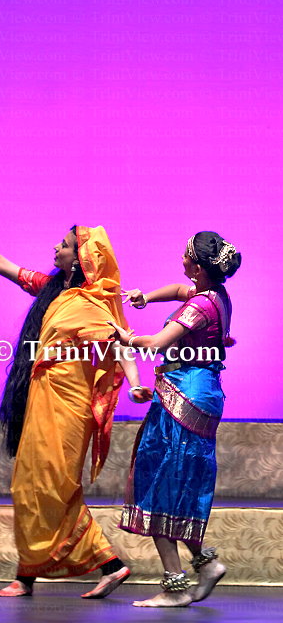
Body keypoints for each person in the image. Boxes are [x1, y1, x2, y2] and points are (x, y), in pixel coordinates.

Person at [0, 193, 152, 599]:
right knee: (28, 482)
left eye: (63, 245)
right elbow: (1, 264)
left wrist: (136, 382)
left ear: (80, 259)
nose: (55, 248)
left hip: (69, 405)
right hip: (41, 396)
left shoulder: (91, 302)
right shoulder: (52, 290)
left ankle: (97, 565)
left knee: (54, 484)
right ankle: (38, 572)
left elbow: (119, 345)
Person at [110, 231, 241, 608]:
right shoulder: (215, 295)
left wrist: (125, 339)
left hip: (183, 398)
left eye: (186, 255)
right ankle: (206, 564)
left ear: (197, 268)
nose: (181, 258)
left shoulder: (198, 306)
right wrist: (146, 297)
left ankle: (175, 586)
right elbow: (177, 290)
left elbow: (156, 344)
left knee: (160, 484)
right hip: (197, 393)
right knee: (178, 483)